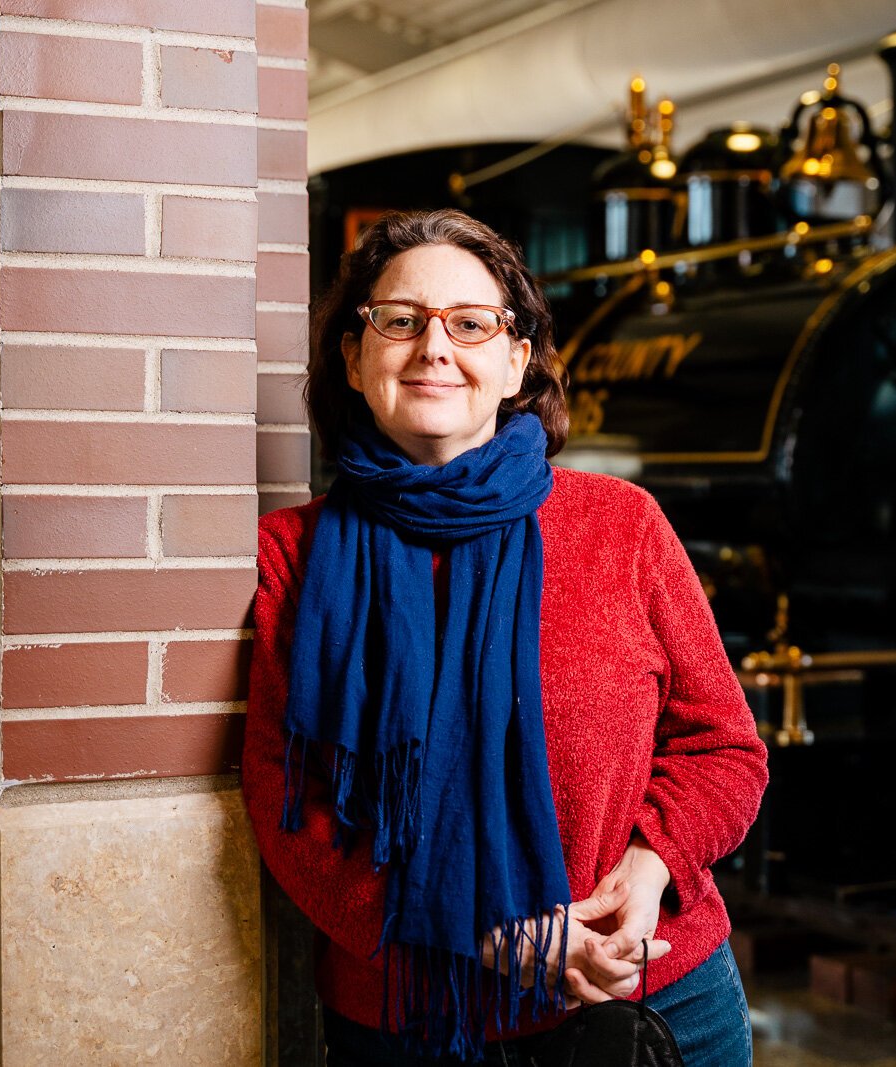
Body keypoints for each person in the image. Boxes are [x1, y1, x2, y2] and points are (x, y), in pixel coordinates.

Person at [242, 208, 768, 1066]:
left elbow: (725, 746)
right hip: (415, 1020)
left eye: (472, 324)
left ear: (517, 358)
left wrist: (650, 868)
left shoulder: (622, 525)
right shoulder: (292, 558)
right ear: (352, 352)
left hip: (657, 999)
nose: (433, 348)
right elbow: (289, 805)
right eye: (400, 320)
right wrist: (476, 930)